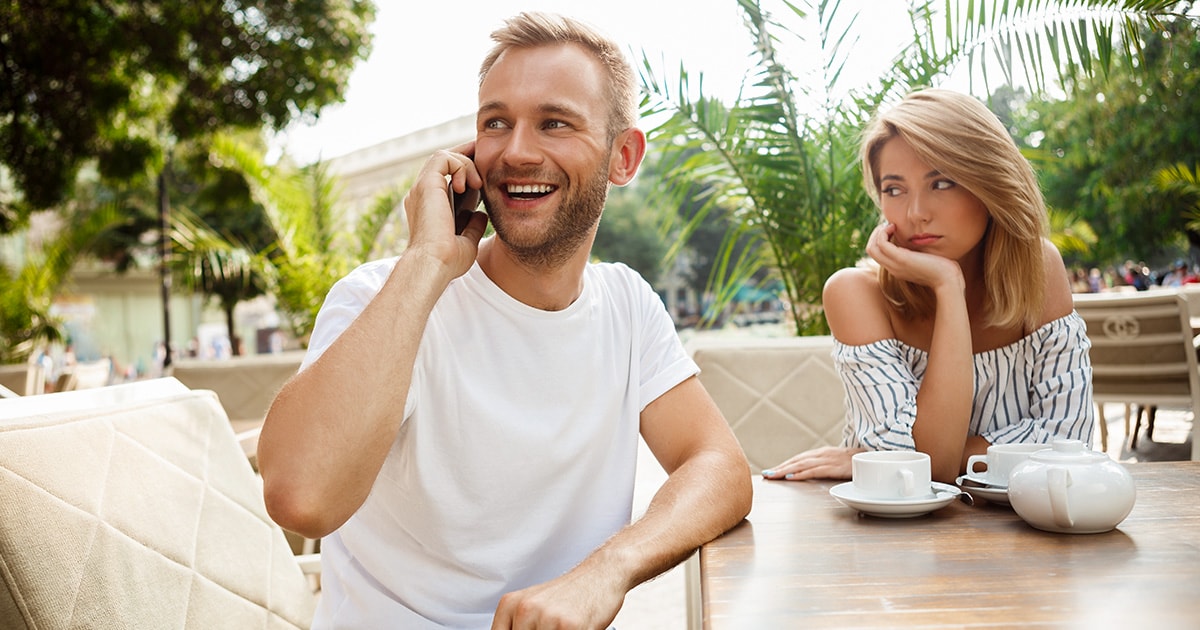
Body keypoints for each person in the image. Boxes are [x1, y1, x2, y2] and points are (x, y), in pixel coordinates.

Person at [256, 12, 752, 629]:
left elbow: (720, 467)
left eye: (554, 123)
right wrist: (427, 261)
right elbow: (300, 498)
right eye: (496, 123)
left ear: (623, 156)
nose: (516, 151)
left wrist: (605, 573)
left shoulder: (626, 304)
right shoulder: (381, 298)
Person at [762, 89, 1094, 484]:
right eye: (894, 189)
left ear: (989, 181)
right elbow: (932, 468)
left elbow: (1069, 442)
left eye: (941, 183)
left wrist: (900, 456)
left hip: (1028, 528)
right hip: (894, 534)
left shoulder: (1038, 270)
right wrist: (947, 285)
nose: (916, 213)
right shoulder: (856, 294)